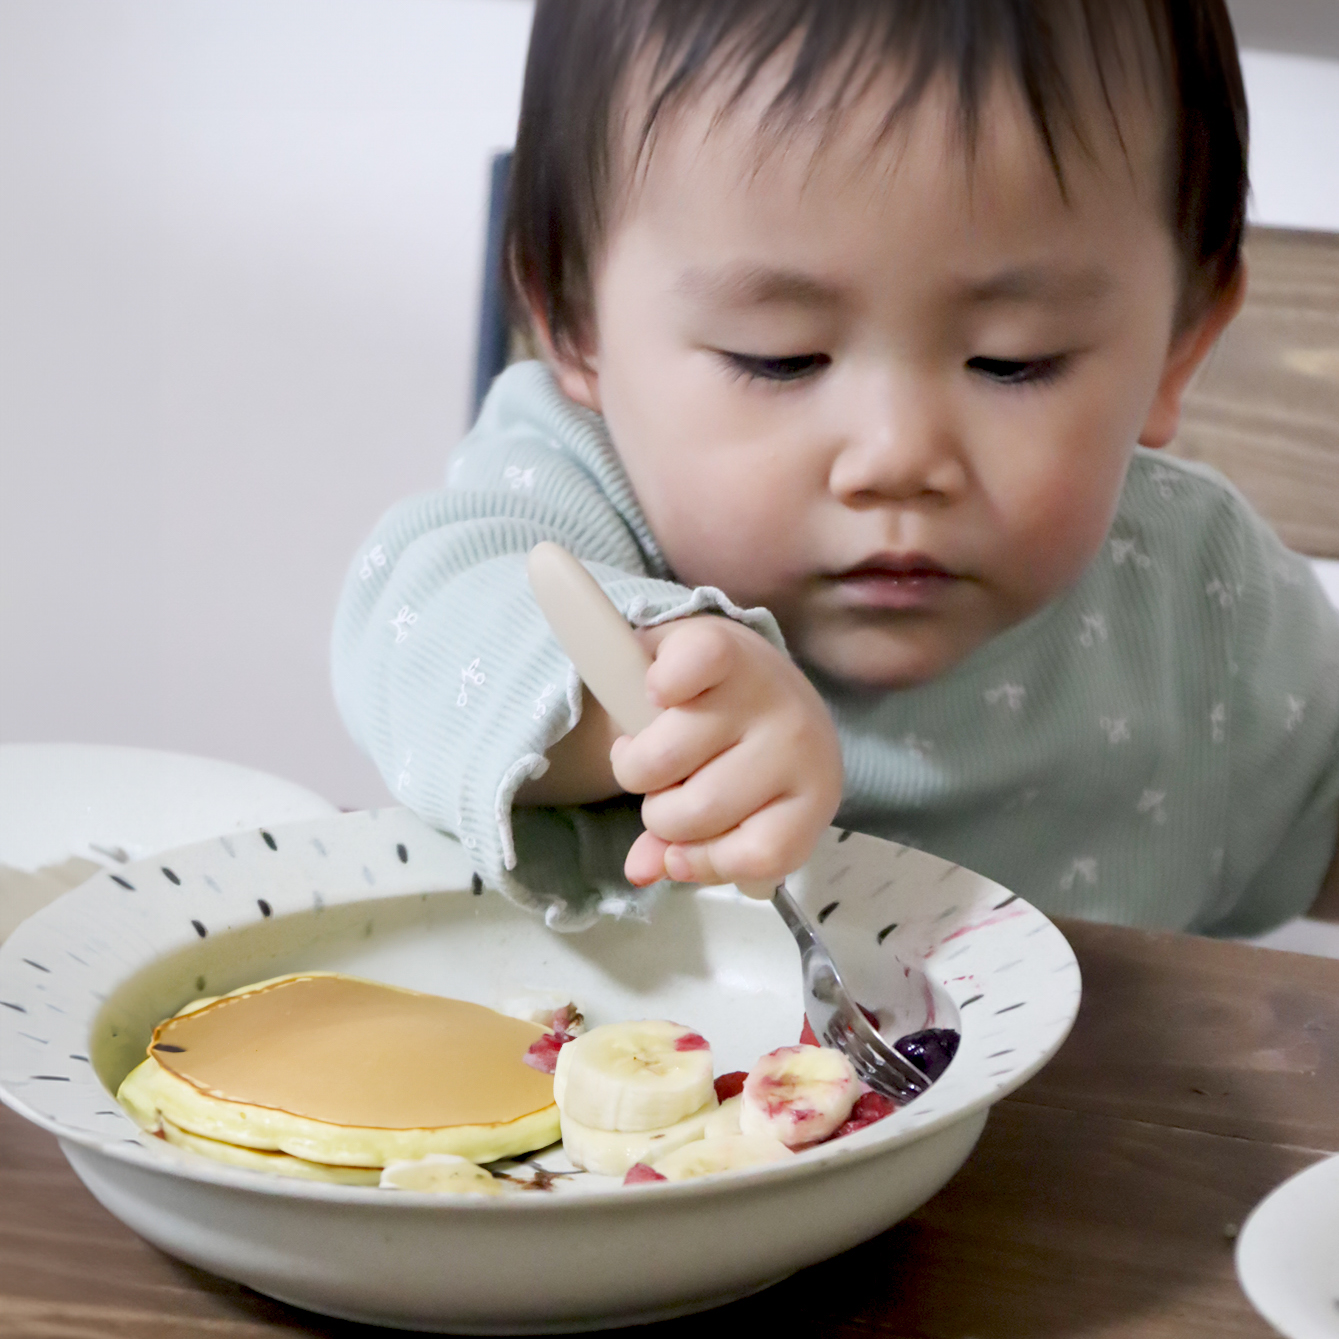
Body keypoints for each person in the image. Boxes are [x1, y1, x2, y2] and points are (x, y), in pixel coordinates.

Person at [333, 0, 1339, 934]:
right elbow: (420, 626)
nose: (897, 458)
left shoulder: (1206, 610)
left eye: (1013, 359)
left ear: (1177, 346)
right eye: (778, 356)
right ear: (574, 322)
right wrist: (650, 703)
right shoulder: (575, 487)